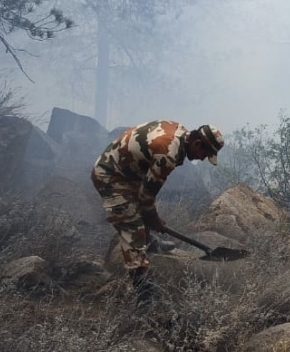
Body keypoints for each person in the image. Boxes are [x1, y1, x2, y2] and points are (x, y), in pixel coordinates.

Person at [92, 120, 224, 305]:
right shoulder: (168, 153)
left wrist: (151, 217)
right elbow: (146, 198)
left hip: (128, 172)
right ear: (197, 143)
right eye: (205, 153)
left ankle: (149, 241)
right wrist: (153, 219)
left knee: (140, 213)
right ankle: (144, 292)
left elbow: (145, 196)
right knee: (132, 227)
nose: (203, 159)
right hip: (110, 175)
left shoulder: (180, 132)